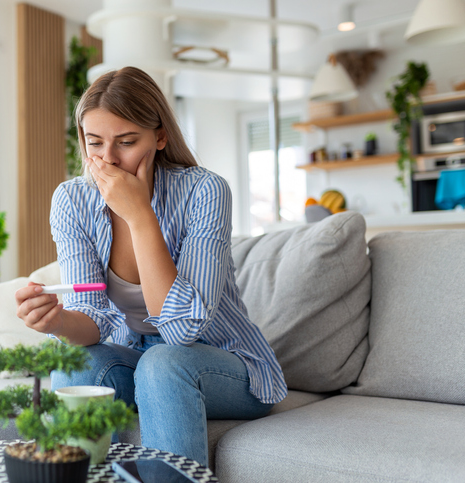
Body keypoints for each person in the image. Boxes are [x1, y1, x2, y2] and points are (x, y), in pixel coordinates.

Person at [14, 66, 287, 466]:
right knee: (78, 362)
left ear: (159, 137)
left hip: (222, 362)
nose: (108, 160)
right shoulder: (72, 200)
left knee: (163, 363)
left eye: (126, 142)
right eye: (95, 143)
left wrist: (139, 214)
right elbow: (93, 319)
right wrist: (55, 322)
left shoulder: (204, 191)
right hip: (135, 360)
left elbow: (180, 330)